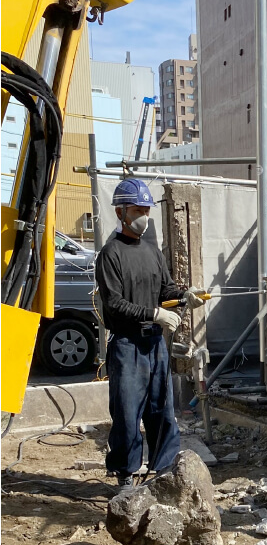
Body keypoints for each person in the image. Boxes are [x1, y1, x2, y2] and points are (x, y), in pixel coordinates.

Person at [95, 178, 205, 489]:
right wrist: (155, 313)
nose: (144, 216)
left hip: (154, 343)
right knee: (128, 413)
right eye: (138, 210)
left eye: (146, 209)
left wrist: (186, 295)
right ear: (121, 213)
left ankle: (164, 469)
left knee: (162, 409)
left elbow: (165, 289)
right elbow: (114, 304)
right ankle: (126, 474)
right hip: (127, 345)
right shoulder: (110, 254)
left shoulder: (152, 251)